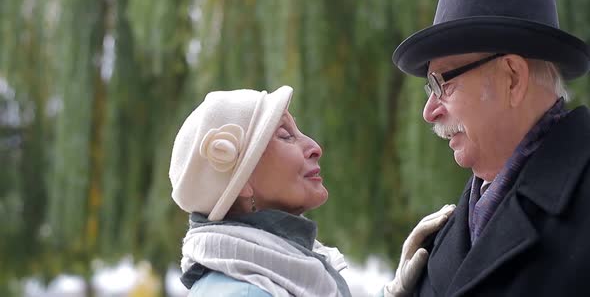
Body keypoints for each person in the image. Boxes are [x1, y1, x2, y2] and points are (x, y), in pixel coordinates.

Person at [392, 0, 590, 296]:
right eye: (430, 87)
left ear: (512, 77)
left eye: (444, 83)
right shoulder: (443, 237)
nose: (429, 111)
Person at [168, 85, 455, 297]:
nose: (314, 147)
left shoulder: (266, 277)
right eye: (285, 135)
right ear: (241, 182)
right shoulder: (245, 293)